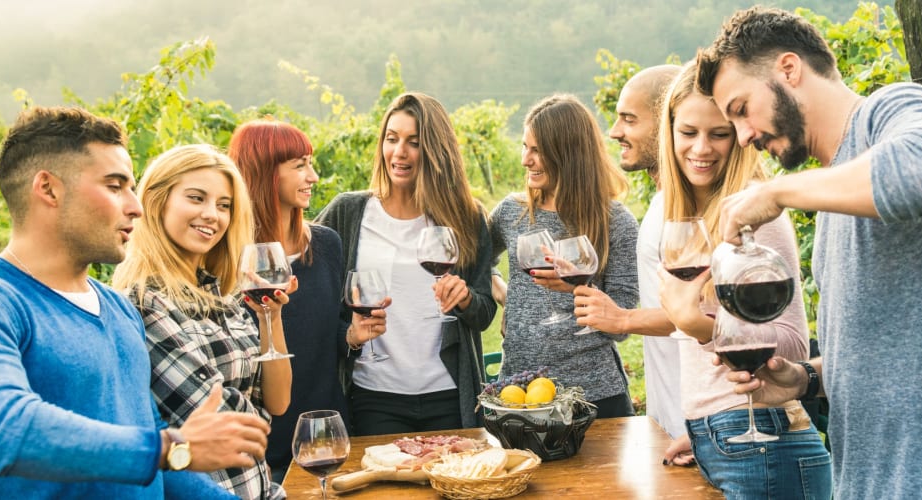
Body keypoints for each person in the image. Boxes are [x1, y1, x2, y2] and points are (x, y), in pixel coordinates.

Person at [696, 6, 922, 498]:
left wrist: (779, 193)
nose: (743, 136)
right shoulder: (834, 203)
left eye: (741, 109)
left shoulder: (893, 110)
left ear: (789, 68)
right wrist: (803, 379)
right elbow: (883, 354)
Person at [0, 106, 270, 498]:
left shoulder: (118, 310)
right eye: (115, 186)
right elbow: (2, 430)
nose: (135, 206)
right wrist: (169, 448)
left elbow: (158, 459)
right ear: (48, 188)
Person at [618, 62, 832, 497]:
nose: (702, 148)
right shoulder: (684, 213)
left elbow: (791, 341)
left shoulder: (752, 216)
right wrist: (704, 430)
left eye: (719, 134)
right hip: (723, 438)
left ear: (739, 136)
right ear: (669, 131)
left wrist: (700, 327)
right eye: (688, 132)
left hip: (767, 441)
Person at [111, 144, 297, 499]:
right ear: (156, 202)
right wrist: (254, 408)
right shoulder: (143, 303)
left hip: (259, 490)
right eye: (196, 198)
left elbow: (278, 402)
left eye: (224, 205)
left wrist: (272, 318)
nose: (212, 215)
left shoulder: (224, 297)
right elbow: (236, 427)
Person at [316, 92, 496, 436]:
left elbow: (485, 313)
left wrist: (467, 299)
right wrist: (349, 336)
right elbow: (313, 297)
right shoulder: (349, 213)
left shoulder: (466, 218)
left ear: (435, 150)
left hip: (449, 394)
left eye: (414, 142)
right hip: (374, 395)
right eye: (391, 138)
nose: (399, 152)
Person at [228, 119, 388, 482]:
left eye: (309, 163)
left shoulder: (326, 244)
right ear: (265, 173)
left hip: (327, 436)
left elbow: (323, 330)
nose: (313, 176)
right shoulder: (233, 262)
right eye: (299, 166)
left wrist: (351, 336)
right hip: (262, 449)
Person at [488, 94, 638, 418]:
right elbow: (477, 263)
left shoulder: (617, 222)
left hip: (596, 396)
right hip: (520, 394)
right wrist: (505, 295)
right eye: (525, 147)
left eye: (537, 150)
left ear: (568, 154)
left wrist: (576, 289)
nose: (525, 160)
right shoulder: (511, 212)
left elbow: (622, 325)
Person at [578, 65, 687, 441]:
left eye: (629, 119)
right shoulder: (661, 201)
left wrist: (622, 319)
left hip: (699, 422)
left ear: (668, 122)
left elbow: (705, 315)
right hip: (673, 419)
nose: (615, 131)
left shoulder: (689, 209)